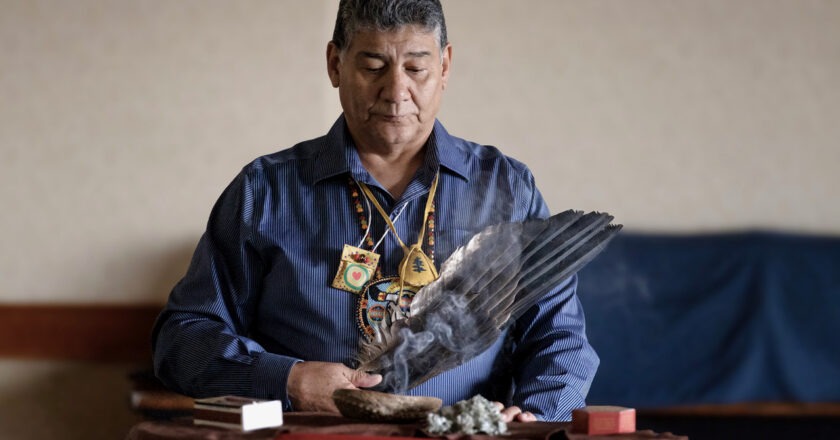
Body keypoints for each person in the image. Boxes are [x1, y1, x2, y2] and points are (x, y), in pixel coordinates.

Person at [152, 0, 598, 422]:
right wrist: (288, 379)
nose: (395, 92)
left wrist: (537, 414)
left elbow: (560, 339)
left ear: (444, 67)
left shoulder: (507, 188)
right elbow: (182, 339)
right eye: (372, 67)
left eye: (416, 68)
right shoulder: (264, 190)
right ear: (334, 64)